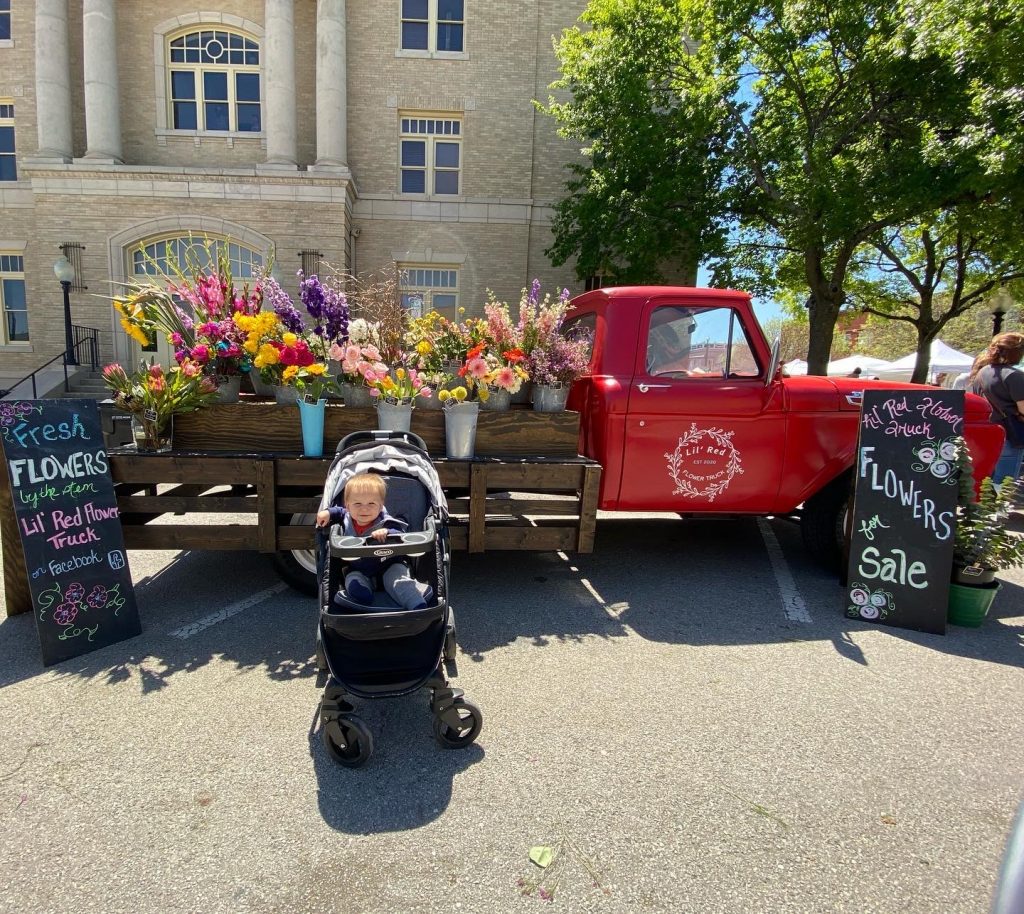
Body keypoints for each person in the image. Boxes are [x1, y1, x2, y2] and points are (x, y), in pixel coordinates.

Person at [315, 472, 432, 609]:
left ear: (381, 505)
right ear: (348, 505)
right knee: (352, 579)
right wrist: (328, 512)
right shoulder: (346, 517)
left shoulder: (386, 521)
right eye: (357, 503)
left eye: (371, 503)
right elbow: (339, 511)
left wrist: (387, 532)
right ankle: (362, 594)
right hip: (359, 569)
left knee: (401, 583)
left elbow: (400, 531)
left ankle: (416, 604)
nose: (364, 508)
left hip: (389, 565)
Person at [969, 332, 1024, 486]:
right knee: (1005, 481)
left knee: (987, 479)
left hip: (987, 431)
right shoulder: (1014, 376)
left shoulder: (982, 372)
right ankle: (999, 509)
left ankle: (986, 508)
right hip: (1011, 433)